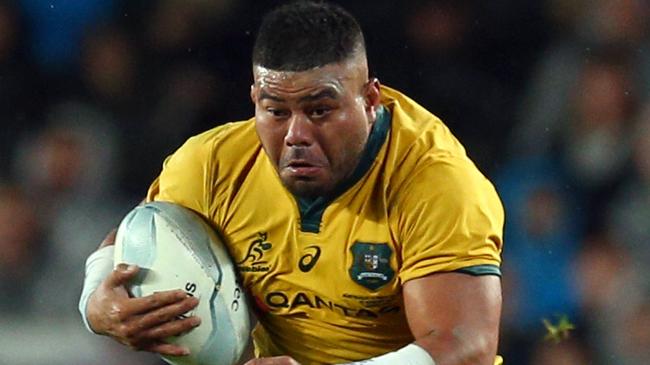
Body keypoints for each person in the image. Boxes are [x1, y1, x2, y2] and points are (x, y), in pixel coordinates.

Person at [79, 2, 504, 364]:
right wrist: (96, 302)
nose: (296, 135)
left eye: (319, 110)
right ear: (254, 102)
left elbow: (465, 347)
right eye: (276, 111)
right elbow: (141, 233)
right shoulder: (213, 164)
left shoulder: (434, 180)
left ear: (370, 100)